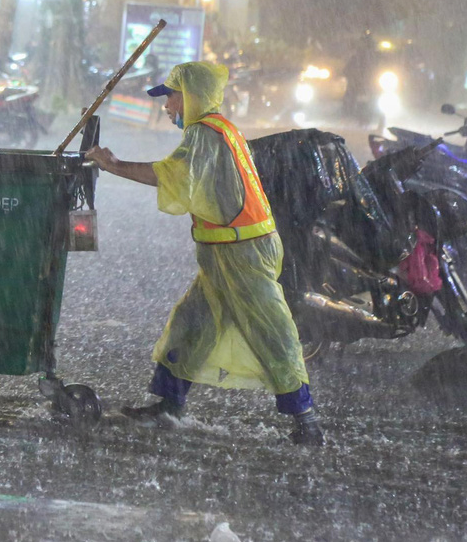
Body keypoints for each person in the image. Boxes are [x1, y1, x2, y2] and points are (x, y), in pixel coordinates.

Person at [84, 61, 325, 446]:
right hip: (227, 250)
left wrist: (112, 165)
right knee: (192, 322)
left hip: (241, 252)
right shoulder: (221, 129)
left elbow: (173, 176)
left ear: (192, 97)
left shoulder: (205, 133)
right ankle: (168, 404)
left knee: (271, 332)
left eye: (172, 97)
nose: (167, 106)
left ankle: (306, 420)